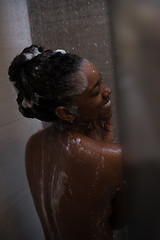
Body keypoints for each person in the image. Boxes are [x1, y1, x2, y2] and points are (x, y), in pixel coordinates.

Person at [8, 45, 126, 240]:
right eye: (96, 91)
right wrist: (106, 148)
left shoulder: (34, 144)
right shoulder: (113, 158)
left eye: (101, 82)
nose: (107, 90)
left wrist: (102, 146)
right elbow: (118, 222)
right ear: (66, 112)